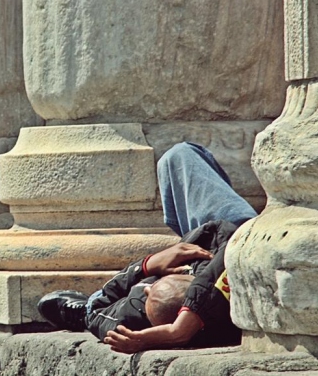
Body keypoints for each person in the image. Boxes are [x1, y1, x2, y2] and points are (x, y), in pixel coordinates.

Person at [37, 142, 257, 353]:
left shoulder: (133, 317)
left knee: (176, 158)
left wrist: (146, 266)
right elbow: (238, 238)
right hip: (242, 241)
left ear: (148, 292)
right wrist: (179, 328)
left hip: (200, 272)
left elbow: (93, 312)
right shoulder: (230, 274)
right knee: (180, 156)